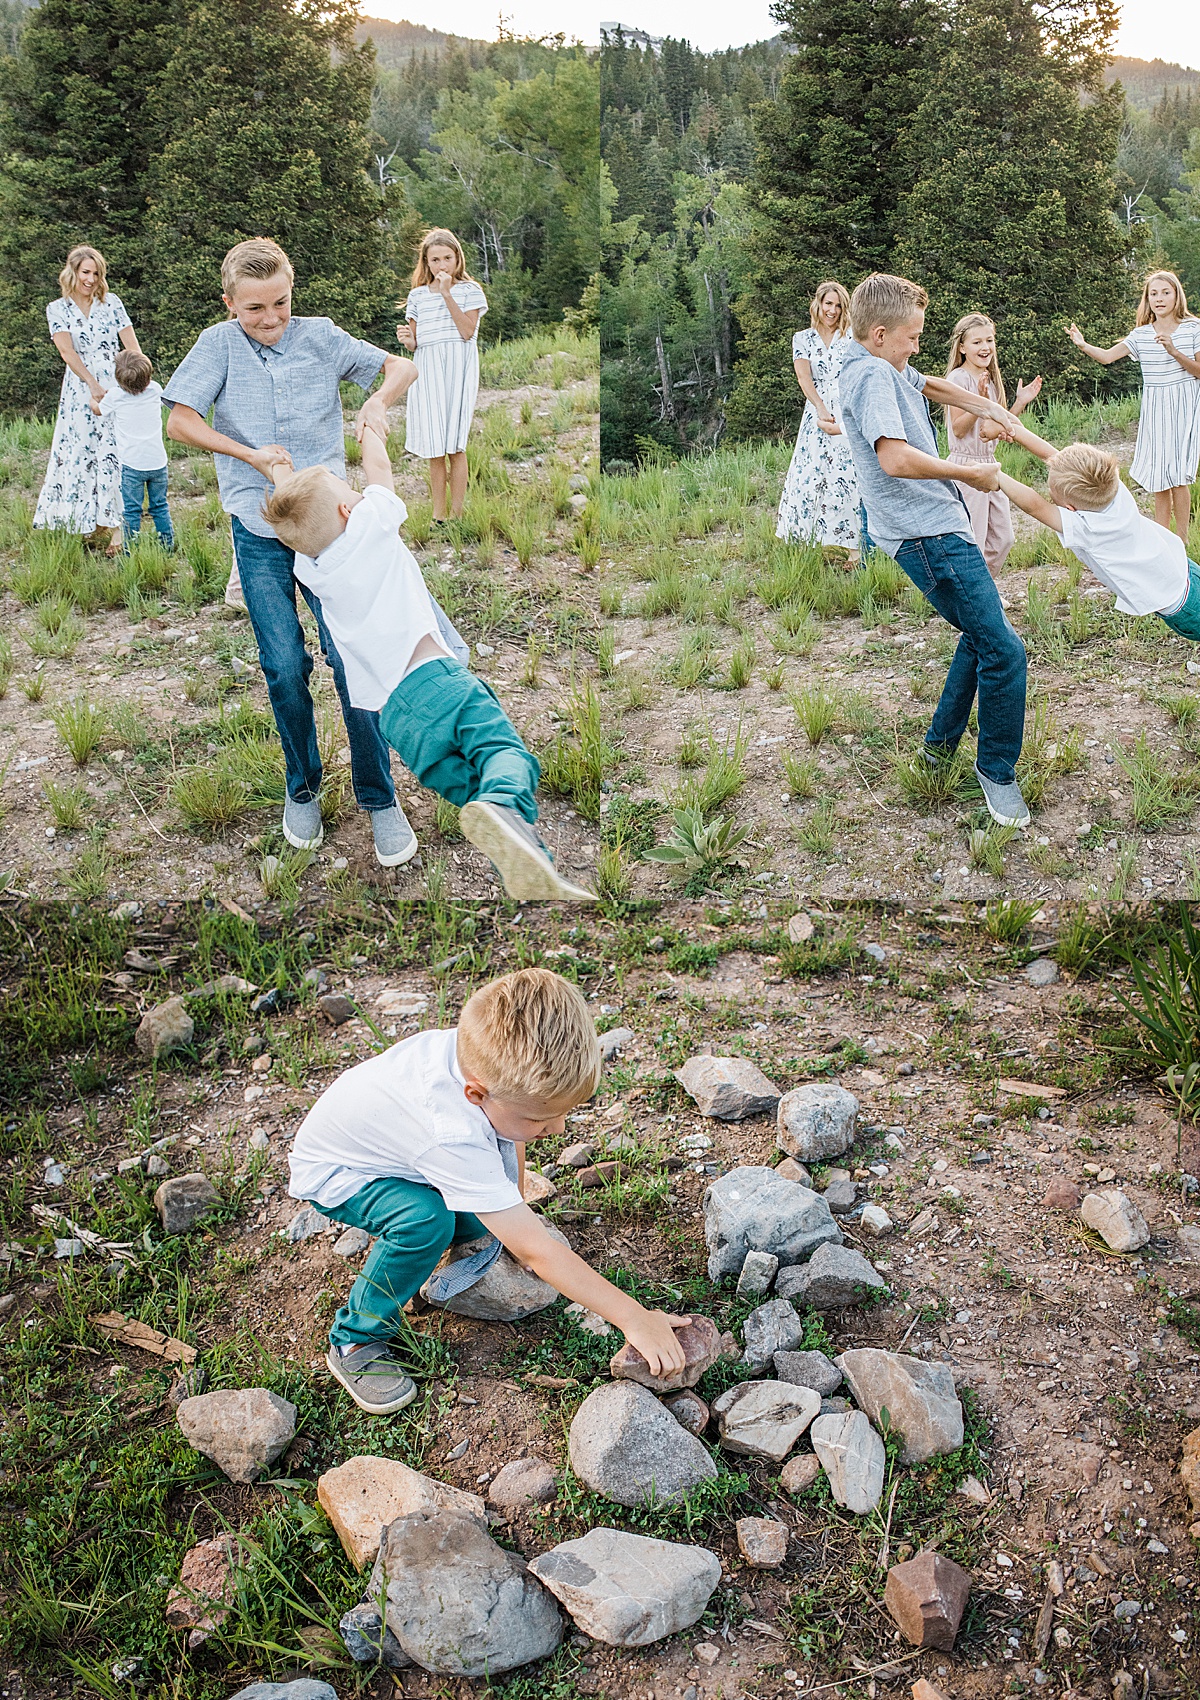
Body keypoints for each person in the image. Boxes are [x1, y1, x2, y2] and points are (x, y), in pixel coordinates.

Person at [164, 236, 457, 868]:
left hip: (331, 532)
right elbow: (179, 421)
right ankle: (303, 789)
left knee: (354, 658)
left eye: (280, 304)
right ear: (229, 304)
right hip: (259, 524)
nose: (270, 320)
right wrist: (249, 454)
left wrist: (378, 401)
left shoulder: (320, 334)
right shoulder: (216, 346)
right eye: (254, 310)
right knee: (283, 665)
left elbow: (399, 367)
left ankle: (379, 797)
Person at [288, 968, 691, 1415]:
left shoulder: (484, 1060)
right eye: (541, 1120)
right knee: (425, 1222)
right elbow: (538, 1252)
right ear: (476, 1095)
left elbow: (509, 1138)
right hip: (339, 1171)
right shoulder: (450, 1133)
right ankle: (355, 1340)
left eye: (561, 1115)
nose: (555, 1130)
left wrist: (512, 1207)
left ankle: (439, 1250)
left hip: (402, 1151)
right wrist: (635, 1317)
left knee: (487, 1216)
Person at [261, 406, 595, 902]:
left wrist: (277, 474)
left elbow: (299, 517)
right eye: (347, 493)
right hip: (436, 682)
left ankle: (518, 849)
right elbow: (380, 473)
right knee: (502, 754)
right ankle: (505, 806)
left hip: (397, 722)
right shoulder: (370, 526)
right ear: (349, 512)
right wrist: (370, 428)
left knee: (469, 788)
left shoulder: (312, 570)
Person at [836, 273, 1031, 828]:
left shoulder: (881, 362)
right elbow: (894, 458)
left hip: (929, 525)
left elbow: (932, 386)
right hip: (926, 534)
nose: (918, 346)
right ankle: (996, 772)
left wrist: (992, 408)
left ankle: (937, 748)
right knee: (1004, 650)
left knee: (980, 634)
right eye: (913, 337)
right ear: (878, 333)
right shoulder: (872, 375)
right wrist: (971, 473)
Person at [995, 424, 1199, 640]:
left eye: (1051, 491)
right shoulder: (1113, 487)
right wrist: (1014, 430)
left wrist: (997, 475)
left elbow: (1035, 506)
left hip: (1184, 608)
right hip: (1187, 571)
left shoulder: (1088, 529)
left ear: (1070, 507)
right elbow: (1057, 459)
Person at [1067, 270, 1200, 541]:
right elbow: (1106, 357)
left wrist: (1174, 351)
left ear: (1177, 296)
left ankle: (1183, 539)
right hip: (1156, 407)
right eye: (1154, 294)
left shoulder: (1193, 329)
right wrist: (1082, 345)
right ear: (1147, 300)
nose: (1159, 299)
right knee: (1158, 475)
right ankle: (1166, 539)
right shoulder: (1141, 334)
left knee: (1178, 476)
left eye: (1166, 293)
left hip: (1184, 405)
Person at [34, 245, 145, 548]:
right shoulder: (57, 309)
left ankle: (120, 528)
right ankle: (90, 523)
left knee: (116, 451)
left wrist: (140, 379)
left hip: (116, 382)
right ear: (73, 272)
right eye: (86, 272)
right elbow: (66, 351)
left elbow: (131, 344)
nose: (91, 279)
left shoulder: (112, 303)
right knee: (82, 452)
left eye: (96, 273)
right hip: (79, 389)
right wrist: (92, 384)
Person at [397, 228, 487, 522]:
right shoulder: (417, 296)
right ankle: (439, 516)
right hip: (428, 369)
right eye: (435, 260)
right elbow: (416, 343)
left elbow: (466, 331)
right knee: (435, 447)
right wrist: (407, 340)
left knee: (455, 445)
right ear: (426, 262)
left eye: (447, 258)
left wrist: (447, 293)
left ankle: (458, 516)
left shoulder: (470, 290)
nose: (442, 265)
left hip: (459, 368)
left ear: (457, 258)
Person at [944, 313, 1041, 575]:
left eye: (989, 340)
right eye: (977, 342)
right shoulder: (958, 379)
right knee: (973, 539)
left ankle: (983, 590)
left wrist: (1020, 403)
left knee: (1002, 538)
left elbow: (991, 431)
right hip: (967, 465)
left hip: (990, 465)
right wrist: (979, 402)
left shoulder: (990, 380)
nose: (985, 347)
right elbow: (958, 429)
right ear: (962, 347)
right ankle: (976, 598)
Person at [775, 280, 862, 562]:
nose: (832, 311)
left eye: (838, 305)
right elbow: (804, 377)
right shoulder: (803, 338)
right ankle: (808, 541)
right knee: (811, 473)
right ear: (818, 304)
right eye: (828, 304)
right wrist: (820, 407)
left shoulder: (850, 336)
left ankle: (854, 549)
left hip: (846, 405)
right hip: (817, 407)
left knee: (848, 474)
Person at [97, 350, 173, 554]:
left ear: (119, 379)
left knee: (132, 511)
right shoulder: (156, 389)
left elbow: (98, 410)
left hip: (132, 465)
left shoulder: (114, 396)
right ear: (148, 377)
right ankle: (167, 545)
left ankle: (130, 551)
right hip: (158, 462)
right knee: (160, 506)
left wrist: (92, 400)